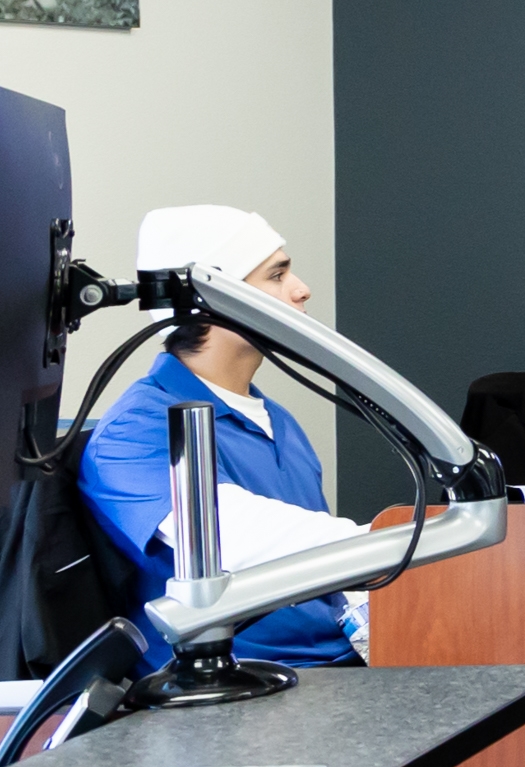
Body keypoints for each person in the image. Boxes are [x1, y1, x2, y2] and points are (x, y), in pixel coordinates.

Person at [79, 205, 361, 668]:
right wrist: (402, 541)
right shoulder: (134, 435)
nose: (301, 288)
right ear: (214, 299)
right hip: (242, 691)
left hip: (338, 664)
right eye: (277, 275)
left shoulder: (277, 419)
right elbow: (238, 538)